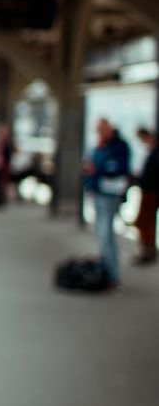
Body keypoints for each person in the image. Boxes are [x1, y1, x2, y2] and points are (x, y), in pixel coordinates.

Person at [82, 118, 131, 286]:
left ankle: (112, 274)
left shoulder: (118, 146)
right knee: (101, 232)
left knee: (105, 233)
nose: (100, 133)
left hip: (109, 193)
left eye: (102, 130)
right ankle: (106, 269)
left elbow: (116, 167)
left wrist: (98, 169)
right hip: (98, 191)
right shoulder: (99, 146)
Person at [132, 127, 159, 265]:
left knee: (144, 222)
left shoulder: (155, 153)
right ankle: (147, 249)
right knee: (145, 222)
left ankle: (147, 250)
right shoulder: (151, 152)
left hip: (151, 191)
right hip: (148, 190)